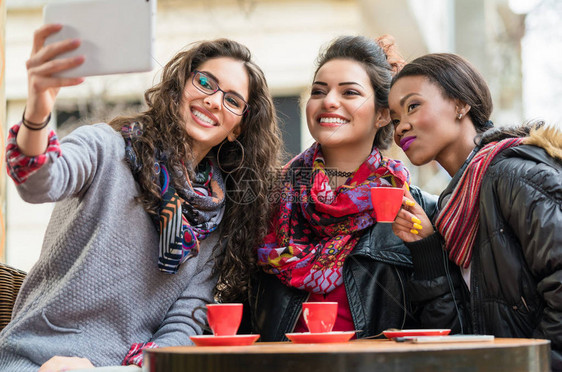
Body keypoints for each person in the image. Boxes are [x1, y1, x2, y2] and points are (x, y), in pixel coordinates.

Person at [0, 24, 281, 371]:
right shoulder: (107, 147)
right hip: (36, 359)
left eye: (233, 99)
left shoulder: (218, 218)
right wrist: (38, 110)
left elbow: (183, 325)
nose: (213, 100)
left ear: (238, 126)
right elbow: (38, 181)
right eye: (205, 82)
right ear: (180, 87)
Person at [247, 35, 438, 341]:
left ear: (382, 114)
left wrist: (428, 252)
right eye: (318, 91)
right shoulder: (267, 201)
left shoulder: (419, 213)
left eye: (349, 92)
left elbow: (444, 324)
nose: (329, 101)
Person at [388, 53, 562, 370]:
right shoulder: (453, 208)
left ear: (460, 104)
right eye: (395, 118)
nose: (402, 127)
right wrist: (427, 248)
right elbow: (461, 335)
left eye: (413, 106)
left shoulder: (513, 175)